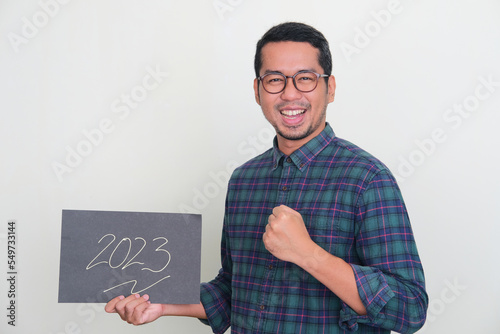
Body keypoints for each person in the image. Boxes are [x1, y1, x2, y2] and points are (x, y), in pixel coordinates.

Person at [105, 22, 428, 333]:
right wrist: (164, 305)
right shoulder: (244, 180)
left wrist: (308, 254)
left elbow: (410, 309)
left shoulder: (367, 178)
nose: (290, 94)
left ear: (329, 89)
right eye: (274, 79)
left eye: (305, 78)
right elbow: (236, 291)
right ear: (258, 91)